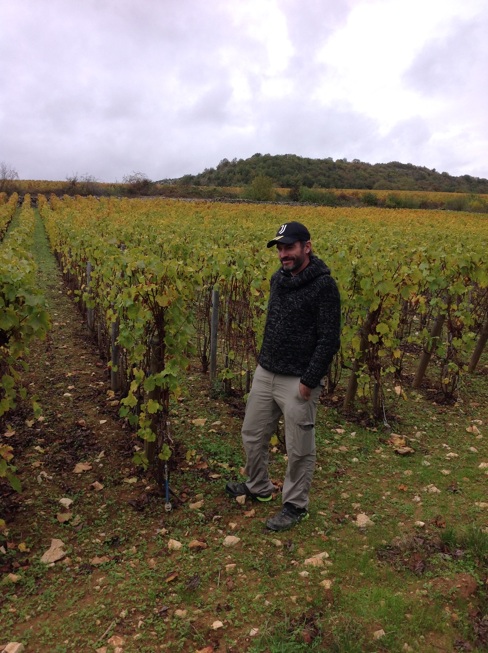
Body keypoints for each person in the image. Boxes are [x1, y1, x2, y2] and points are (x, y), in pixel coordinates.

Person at [226, 221, 341, 531]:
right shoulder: (279, 279)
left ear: (307, 246)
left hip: (298, 380)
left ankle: (294, 505)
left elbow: (329, 338)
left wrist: (310, 380)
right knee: (252, 433)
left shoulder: (324, 286)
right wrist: (263, 362)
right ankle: (258, 486)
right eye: (279, 248)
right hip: (267, 372)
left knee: (299, 446)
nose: (283, 254)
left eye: (289, 247)